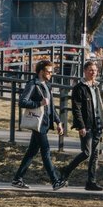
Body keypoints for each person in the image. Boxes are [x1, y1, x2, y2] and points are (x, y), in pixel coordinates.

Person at [12, 60, 67, 190]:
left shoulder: (47, 85)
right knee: (46, 152)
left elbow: (51, 107)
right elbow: (22, 102)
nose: (50, 74)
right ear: (41, 71)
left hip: (45, 123)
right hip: (38, 123)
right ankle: (55, 180)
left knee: (32, 152)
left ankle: (17, 178)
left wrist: (58, 122)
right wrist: (39, 104)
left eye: (52, 72)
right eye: (48, 71)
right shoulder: (33, 84)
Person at [61, 60, 103, 191]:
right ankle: (65, 170)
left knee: (95, 154)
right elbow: (76, 108)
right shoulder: (79, 88)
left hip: (97, 123)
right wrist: (81, 126)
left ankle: (91, 181)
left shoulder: (97, 86)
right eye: (90, 70)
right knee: (87, 152)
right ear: (85, 71)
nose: (93, 73)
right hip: (86, 125)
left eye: (95, 70)